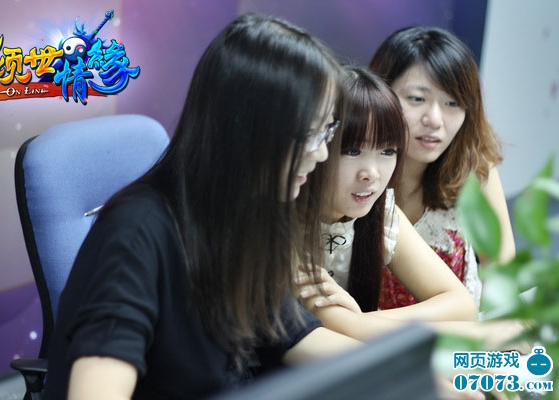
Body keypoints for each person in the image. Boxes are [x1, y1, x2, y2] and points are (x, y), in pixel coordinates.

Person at [43, 13, 359, 400]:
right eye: (310, 133)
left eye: (326, 130)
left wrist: (409, 370)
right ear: (247, 132)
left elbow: (292, 335)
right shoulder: (136, 235)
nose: (322, 153)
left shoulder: (244, 210)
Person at [297, 65, 478, 342]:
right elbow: (335, 327)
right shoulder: (285, 220)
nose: (371, 173)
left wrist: (362, 320)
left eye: (387, 151)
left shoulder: (383, 211)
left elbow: (463, 307)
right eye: (352, 151)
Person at [368, 26, 515, 310]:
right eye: (417, 99)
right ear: (380, 93)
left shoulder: (473, 170)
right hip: (361, 335)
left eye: (452, 103)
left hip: (458, 331)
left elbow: (502, 275)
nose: (434, 120)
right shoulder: (352, 170)